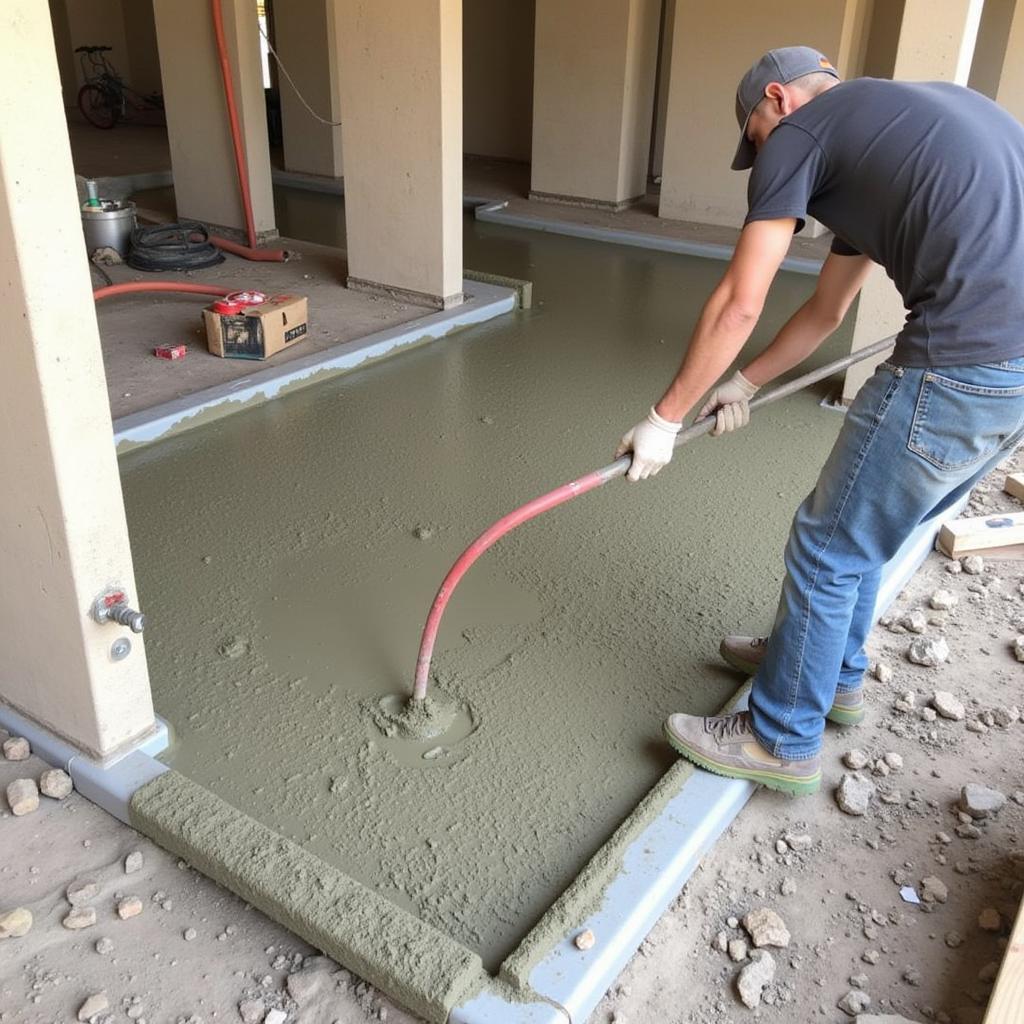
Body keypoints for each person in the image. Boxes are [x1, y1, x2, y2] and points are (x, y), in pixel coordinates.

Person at [616, 46, 1024, 796]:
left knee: (826, 547)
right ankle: (832, 676)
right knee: (868, 534)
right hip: (1014, 378)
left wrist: (663, 417)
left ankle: (779, 737)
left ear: (780, 100)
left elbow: (741, 300)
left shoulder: (804, 135)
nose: (767, 156)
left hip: (962, 362)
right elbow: (825, 310)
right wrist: (741, 381)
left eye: (759, 137)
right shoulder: (892, 132)